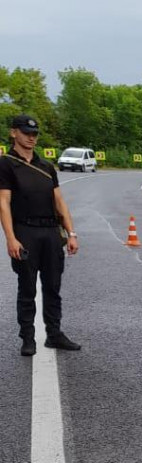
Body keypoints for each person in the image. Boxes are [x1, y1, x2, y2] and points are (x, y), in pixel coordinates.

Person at [0, 114, 81, 356]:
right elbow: (3, 202)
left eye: (34, 134)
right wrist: (11, 238)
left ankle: (54, 334)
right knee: (27, 287)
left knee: (53, 286)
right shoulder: (5, 164)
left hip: (50, 232)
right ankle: (28, 338)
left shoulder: (46, 166)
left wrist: (71, 232)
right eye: (26, 133)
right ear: (14, 133)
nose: (31, 138)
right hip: (25, 231)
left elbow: (59, 201)